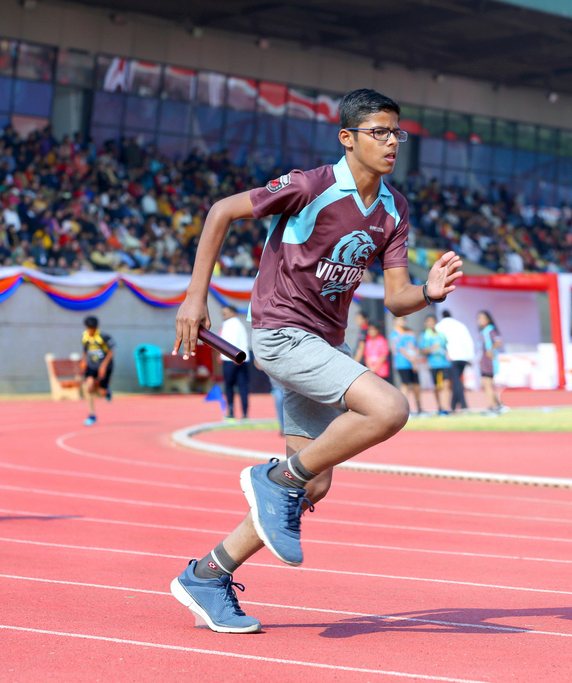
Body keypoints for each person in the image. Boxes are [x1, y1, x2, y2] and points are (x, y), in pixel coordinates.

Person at [170, 88, 463, 633]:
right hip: (281, 332)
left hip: (326, 344)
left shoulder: (394, 209)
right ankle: (276, 480)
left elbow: (396, 298)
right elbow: (220, 211)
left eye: (397, 132)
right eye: (379, 132)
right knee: (389, 409)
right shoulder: (311, 186)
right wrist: (194, 296)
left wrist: (428, 291)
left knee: (314, 484)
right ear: (347, 138)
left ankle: (208, 575)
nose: (392, 142)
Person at [436, 310, 474, 412]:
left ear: (441, 316)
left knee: (456, 382)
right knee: (457, 380)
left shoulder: (439, 326)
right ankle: (453, 406)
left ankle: (464, 405)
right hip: (463, 357)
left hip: (451, 357)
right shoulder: (461, 325)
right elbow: (468, 341)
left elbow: (439, 342)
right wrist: (470, 357)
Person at [80, 315, 114, 426]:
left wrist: (103, 366)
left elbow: (110, 352)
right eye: (90, 328)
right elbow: (85, 351)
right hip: (91, 366)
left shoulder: (104, 337)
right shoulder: (85, 337)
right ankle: (92, 415)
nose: (92, 330)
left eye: (93, 328)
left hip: (104, 366)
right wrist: (83, 361)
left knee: (101, 392)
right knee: (88, 387)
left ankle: (106, 390)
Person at [219, 304, 250, 420]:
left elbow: (230, 342)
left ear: (232, 313)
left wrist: (233, 358)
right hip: (242, 359)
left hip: (231, 359)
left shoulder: (230, 324)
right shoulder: (239, 324)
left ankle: (231, 412)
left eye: (225, 313)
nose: (223, 315)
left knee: (229, 386)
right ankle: (245, 413)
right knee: (243, 387)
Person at [419, 314, 451, 415]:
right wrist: (432, 348)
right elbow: (424, 351)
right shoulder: (424, 336)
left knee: (446, 385)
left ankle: (445, 407)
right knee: (437, 387)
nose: (431, 324)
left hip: (444, 363)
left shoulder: (441, 335)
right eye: (429, 322)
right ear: (426, 324)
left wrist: (448, 356)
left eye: (433, 322)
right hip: (433, 364)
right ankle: (440, 406)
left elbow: (445, 347)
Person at [390, 316, 422, 415]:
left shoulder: (410, 332)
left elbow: (416, 347)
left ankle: (419, 407)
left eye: (402, 319)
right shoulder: (395, 333)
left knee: (416, 384)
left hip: (413, 363)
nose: (401, 322)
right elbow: (400, 348)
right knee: (405, 384)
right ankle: (405, 409)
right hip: (402, 363)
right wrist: (411, 358)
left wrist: (415, 358)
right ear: (394, 322)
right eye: (398, 320)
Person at [477, 311, 506, 415]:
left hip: (489, 362)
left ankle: (491, 407)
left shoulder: (490, 330)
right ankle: (499, 405)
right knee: (486, 384)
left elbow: (498, 341)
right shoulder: (483, 332)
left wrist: (491, 350)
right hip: (484, 362)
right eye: (479, 319)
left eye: (483, 318)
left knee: (488, 384)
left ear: (488, 320)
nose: (480, 321)